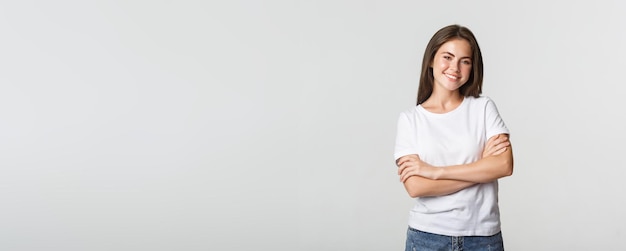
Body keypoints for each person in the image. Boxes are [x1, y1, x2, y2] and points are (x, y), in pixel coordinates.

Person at [394, 24, 514, 251]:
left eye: (465, 61)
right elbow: (416, 187)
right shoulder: (410, 120)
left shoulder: (483, 108)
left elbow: (504, 165)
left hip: (483, 238)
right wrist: (480, 169)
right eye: (447, 57)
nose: (455, 68)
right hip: (427, 237)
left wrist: (436, 172)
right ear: (431, 60)